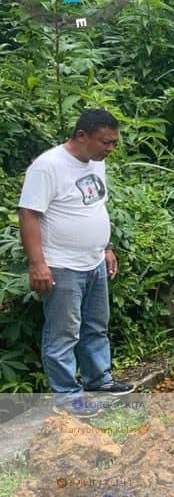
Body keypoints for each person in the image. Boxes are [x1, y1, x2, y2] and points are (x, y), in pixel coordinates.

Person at [18, 108, 133, 418]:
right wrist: (37, 264)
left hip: (93, 261)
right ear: (81, 136)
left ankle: (99, 380)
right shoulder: (48, 167)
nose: (109, 149)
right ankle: (68, 397)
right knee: (63, 333)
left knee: (96, 326)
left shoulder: (96, 163)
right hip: (61, 265)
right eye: (104, 142)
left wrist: (106, 247)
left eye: (113, 143)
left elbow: (96, 206)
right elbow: (29, 214)